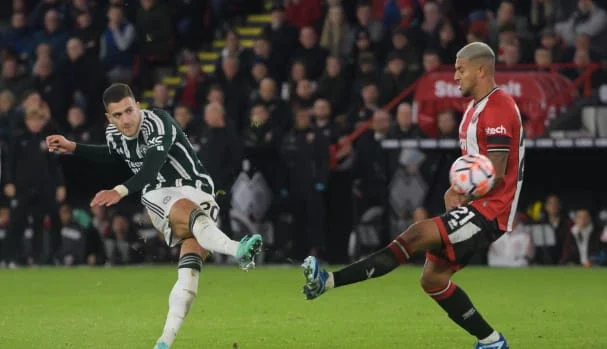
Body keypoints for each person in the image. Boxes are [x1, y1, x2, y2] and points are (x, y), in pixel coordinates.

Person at [301, 42, 525, 349]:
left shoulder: (498, 106)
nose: (455, 76)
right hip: (479, 206)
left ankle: (328, 281)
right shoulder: (474, 108)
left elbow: (495, 173)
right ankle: (491, 341)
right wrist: (456, 189)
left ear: (481, 69)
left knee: (417, 234)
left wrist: (462, 190)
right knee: (432, 280)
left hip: (491, 211)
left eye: (460, 69)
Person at [45, 83, 263, 349]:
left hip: (198, 188)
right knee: (185, 210)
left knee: (190, 269)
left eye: (129, 111)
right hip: (158, 193)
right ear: (109, 118)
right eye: (118, 115)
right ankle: (236, 249)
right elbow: (114, 153)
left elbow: (150, 167)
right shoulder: (114, 133)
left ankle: (164, 341)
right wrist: (73, 147)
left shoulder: (159, 122)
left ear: (138, 105)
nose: (125, 119)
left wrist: (119, 191)